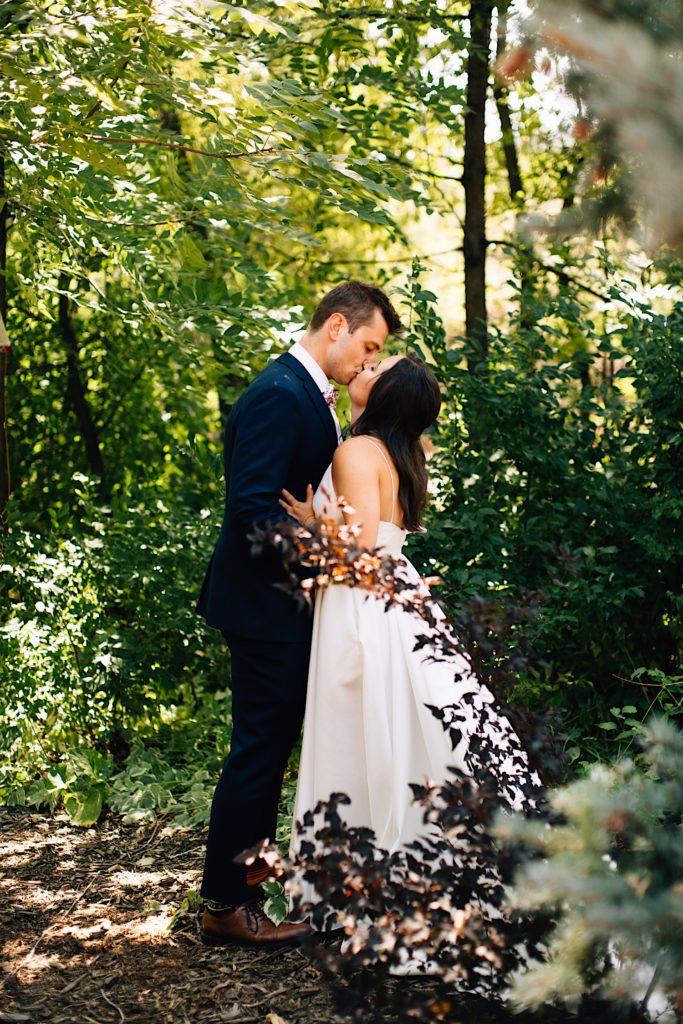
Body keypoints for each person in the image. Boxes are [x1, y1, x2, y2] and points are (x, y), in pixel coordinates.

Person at [280, 354, 540, 919]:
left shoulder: (354, 452)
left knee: (362, 725)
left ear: (386, 396)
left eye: (377, 369)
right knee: (400, 729)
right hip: (397, 595)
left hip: (362, 603)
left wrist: (308, 523)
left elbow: (356, 548)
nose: (364, 366)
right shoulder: (399, 456)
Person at [196, 281, 403, 948]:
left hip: (281, 605)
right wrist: (325, 565)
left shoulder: (307, 395)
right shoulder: (280, 394)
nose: (366, 360)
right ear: (336, 325)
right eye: (367, 345)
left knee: (267, 749)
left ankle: (239, 893)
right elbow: (253, 510)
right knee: (257, 753)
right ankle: (225, 904)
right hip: (264, 608)